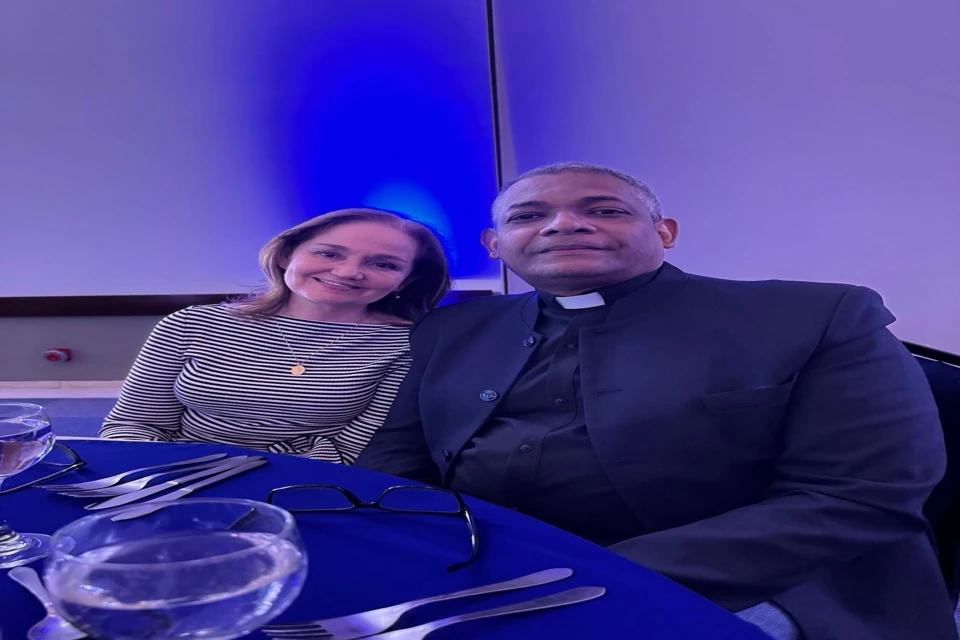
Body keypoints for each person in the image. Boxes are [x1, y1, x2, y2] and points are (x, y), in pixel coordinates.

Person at [356, 163, 955, 639]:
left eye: (605, 210)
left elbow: (863, 494)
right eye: (529, 215)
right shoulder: (454, 328)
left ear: (664, 232)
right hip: (485, 560)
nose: (564, 224)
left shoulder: (815, 315)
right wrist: (420, 542)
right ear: (495, 243)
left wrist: (600, 572)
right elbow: (399, 455)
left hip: (758, 577)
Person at [101, 208, 450, 464]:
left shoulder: (410, 343)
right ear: (287, 255)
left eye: (383, 264)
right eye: (328, 253)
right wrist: (153, 476)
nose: (348, 272)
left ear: (405, 280)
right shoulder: (191, 323)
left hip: (305, 480)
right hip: (171, 473)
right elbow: (134, 423)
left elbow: (358, 446)